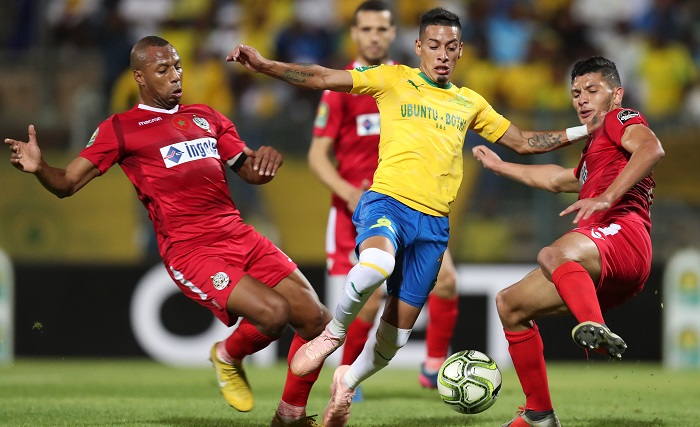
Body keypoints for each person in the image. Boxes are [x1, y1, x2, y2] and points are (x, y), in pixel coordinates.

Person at [228, 8, 590, 427]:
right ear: (419, 47)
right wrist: (266, 65)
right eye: (433, 45)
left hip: (434, 227)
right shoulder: (393, 78)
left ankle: (347, 383)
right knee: (376, 264)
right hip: (386, 204)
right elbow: (324, 77)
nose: (441, 54)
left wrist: (585, 130)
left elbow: (524, 142)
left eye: (450, 47)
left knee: (394, 339)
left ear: (460, 52)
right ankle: (333, 335)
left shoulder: (469, 102)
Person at [5, 36, 330, 427]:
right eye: (163, 70)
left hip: (239, 234)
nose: (176, 76)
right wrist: (41, 168)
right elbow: (67, 184)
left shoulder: (207, 116)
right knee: (274, 315)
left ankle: (289, 417)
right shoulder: (120, 129)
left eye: (177, 66)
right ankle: (228, 354)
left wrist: (263, 164)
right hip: (192, 251)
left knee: (317, 321)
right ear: (140, 77)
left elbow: (246, 169)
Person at [472, 56, 664, 427]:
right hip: (600, 261)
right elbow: (558, 179)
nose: (582, 99)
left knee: (552, 252)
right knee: (510, 305)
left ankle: (594, 325)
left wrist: (607, 198)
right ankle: (539, 415)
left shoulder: (619, 119)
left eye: (592, 90)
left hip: (623, 233)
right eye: (576, 93)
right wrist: (500, 167)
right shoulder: (596, 148)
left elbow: (651, 148)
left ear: (616, 94)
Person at [307, 0, 459, 397]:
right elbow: (316, 156)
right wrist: (348, 192)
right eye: (367, 29)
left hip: (411, 202)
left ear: (394, 36)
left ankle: (433, 366)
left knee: (446, 281)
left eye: (381, 29)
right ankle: (345, 375)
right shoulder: (345, 87)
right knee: (372, 298)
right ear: (355, 34)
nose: (374, 36)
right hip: (359, 206)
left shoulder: (409, 81)